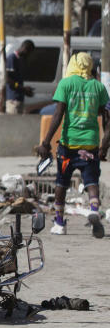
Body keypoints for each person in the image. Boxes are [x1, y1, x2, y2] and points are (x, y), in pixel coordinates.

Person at [35, 51, 108, 238]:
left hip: (68, 145)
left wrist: (45, 142)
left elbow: (58, 115)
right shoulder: (98, 87)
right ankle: (93, 208)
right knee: (91, 181)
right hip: (90, 144)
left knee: (61, 183)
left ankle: (59, 223)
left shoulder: (66, 84)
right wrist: (104, 146)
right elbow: (106, 116)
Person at [6, 40, 35, 114]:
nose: (28, 55)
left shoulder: (19, 59)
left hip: (19, 99)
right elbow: (9, 81)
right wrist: (23, 89)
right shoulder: (12, 58)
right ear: (25, 49)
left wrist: (24, 91)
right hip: (13, 100)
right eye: (28, 53)